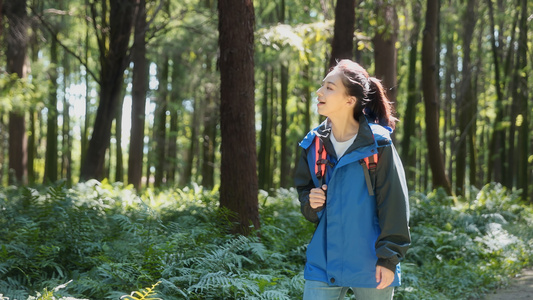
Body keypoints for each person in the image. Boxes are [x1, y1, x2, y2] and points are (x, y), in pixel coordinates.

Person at [293, 59, 410, 300]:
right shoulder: (312, 143)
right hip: (323, 261)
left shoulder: (379, 145)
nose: (319, 91)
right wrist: (310, 202)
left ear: (350, 100)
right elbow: (304, 190)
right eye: (322, 85)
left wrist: (388, 258)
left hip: (372, 261)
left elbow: (395, 204)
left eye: (329, 87)